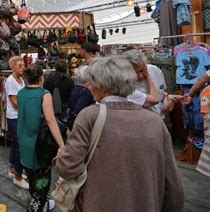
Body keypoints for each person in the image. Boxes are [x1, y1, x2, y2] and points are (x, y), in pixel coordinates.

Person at [56, 56, 184, 211]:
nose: (89, 87)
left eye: (92, 83)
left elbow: (69, 168)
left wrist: (62, 155)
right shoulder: (154, 121)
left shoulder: (89, 116)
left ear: (102, 86)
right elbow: (172, 183)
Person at [17, 64, 65, 211]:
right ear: (41, 78)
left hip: (24, 142)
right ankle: (39, 206)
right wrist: (62, 145)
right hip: (39, 145)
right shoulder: (44, 94)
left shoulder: (20, 93)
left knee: (32, 180)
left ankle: (39, 204)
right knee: (41, 183)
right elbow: (50, 120)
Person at [4, 56, 28, 189]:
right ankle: (18, 177)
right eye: (20, 65)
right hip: (14, 116)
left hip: (19, 116)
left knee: (16, 143)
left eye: (23, 65)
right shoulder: (10, 81)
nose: (23, 67)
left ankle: (12, 169)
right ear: (13, 67)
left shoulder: (21, 80)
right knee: (20, 145)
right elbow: (15, 103)